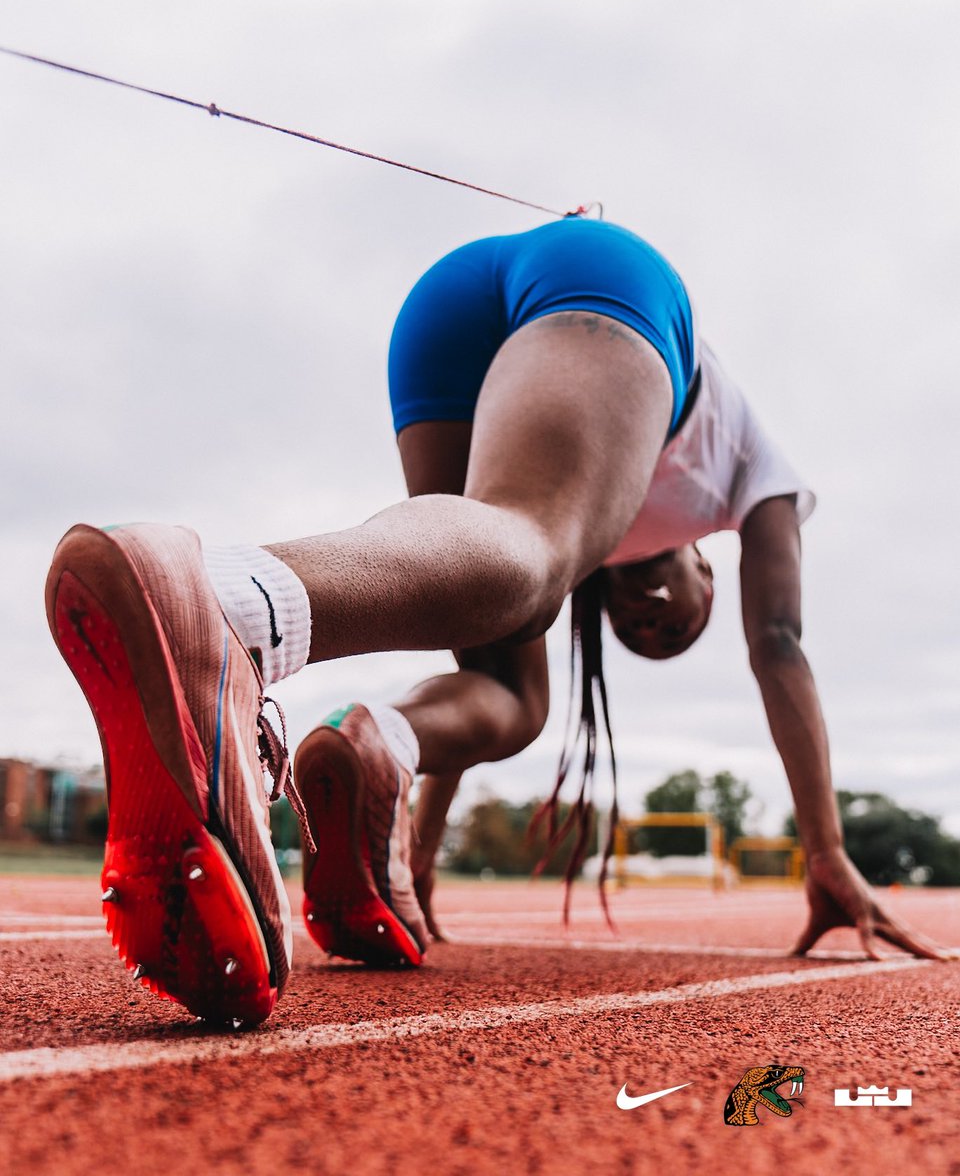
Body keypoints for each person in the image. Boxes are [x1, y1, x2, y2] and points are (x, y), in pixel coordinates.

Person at [45, 217, 948, 1026]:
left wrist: (416, 842)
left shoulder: (579, 518)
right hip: (607, 280)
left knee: (516, 696)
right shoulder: (759, 474)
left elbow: (478, 641)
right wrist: (825, 851)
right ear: (708, 564)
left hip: (448, 320)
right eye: (678, 614)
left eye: (645, 634)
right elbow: (780, 644)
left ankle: (377, 745)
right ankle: (231, 608)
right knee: (527, 562)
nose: (654, 613)